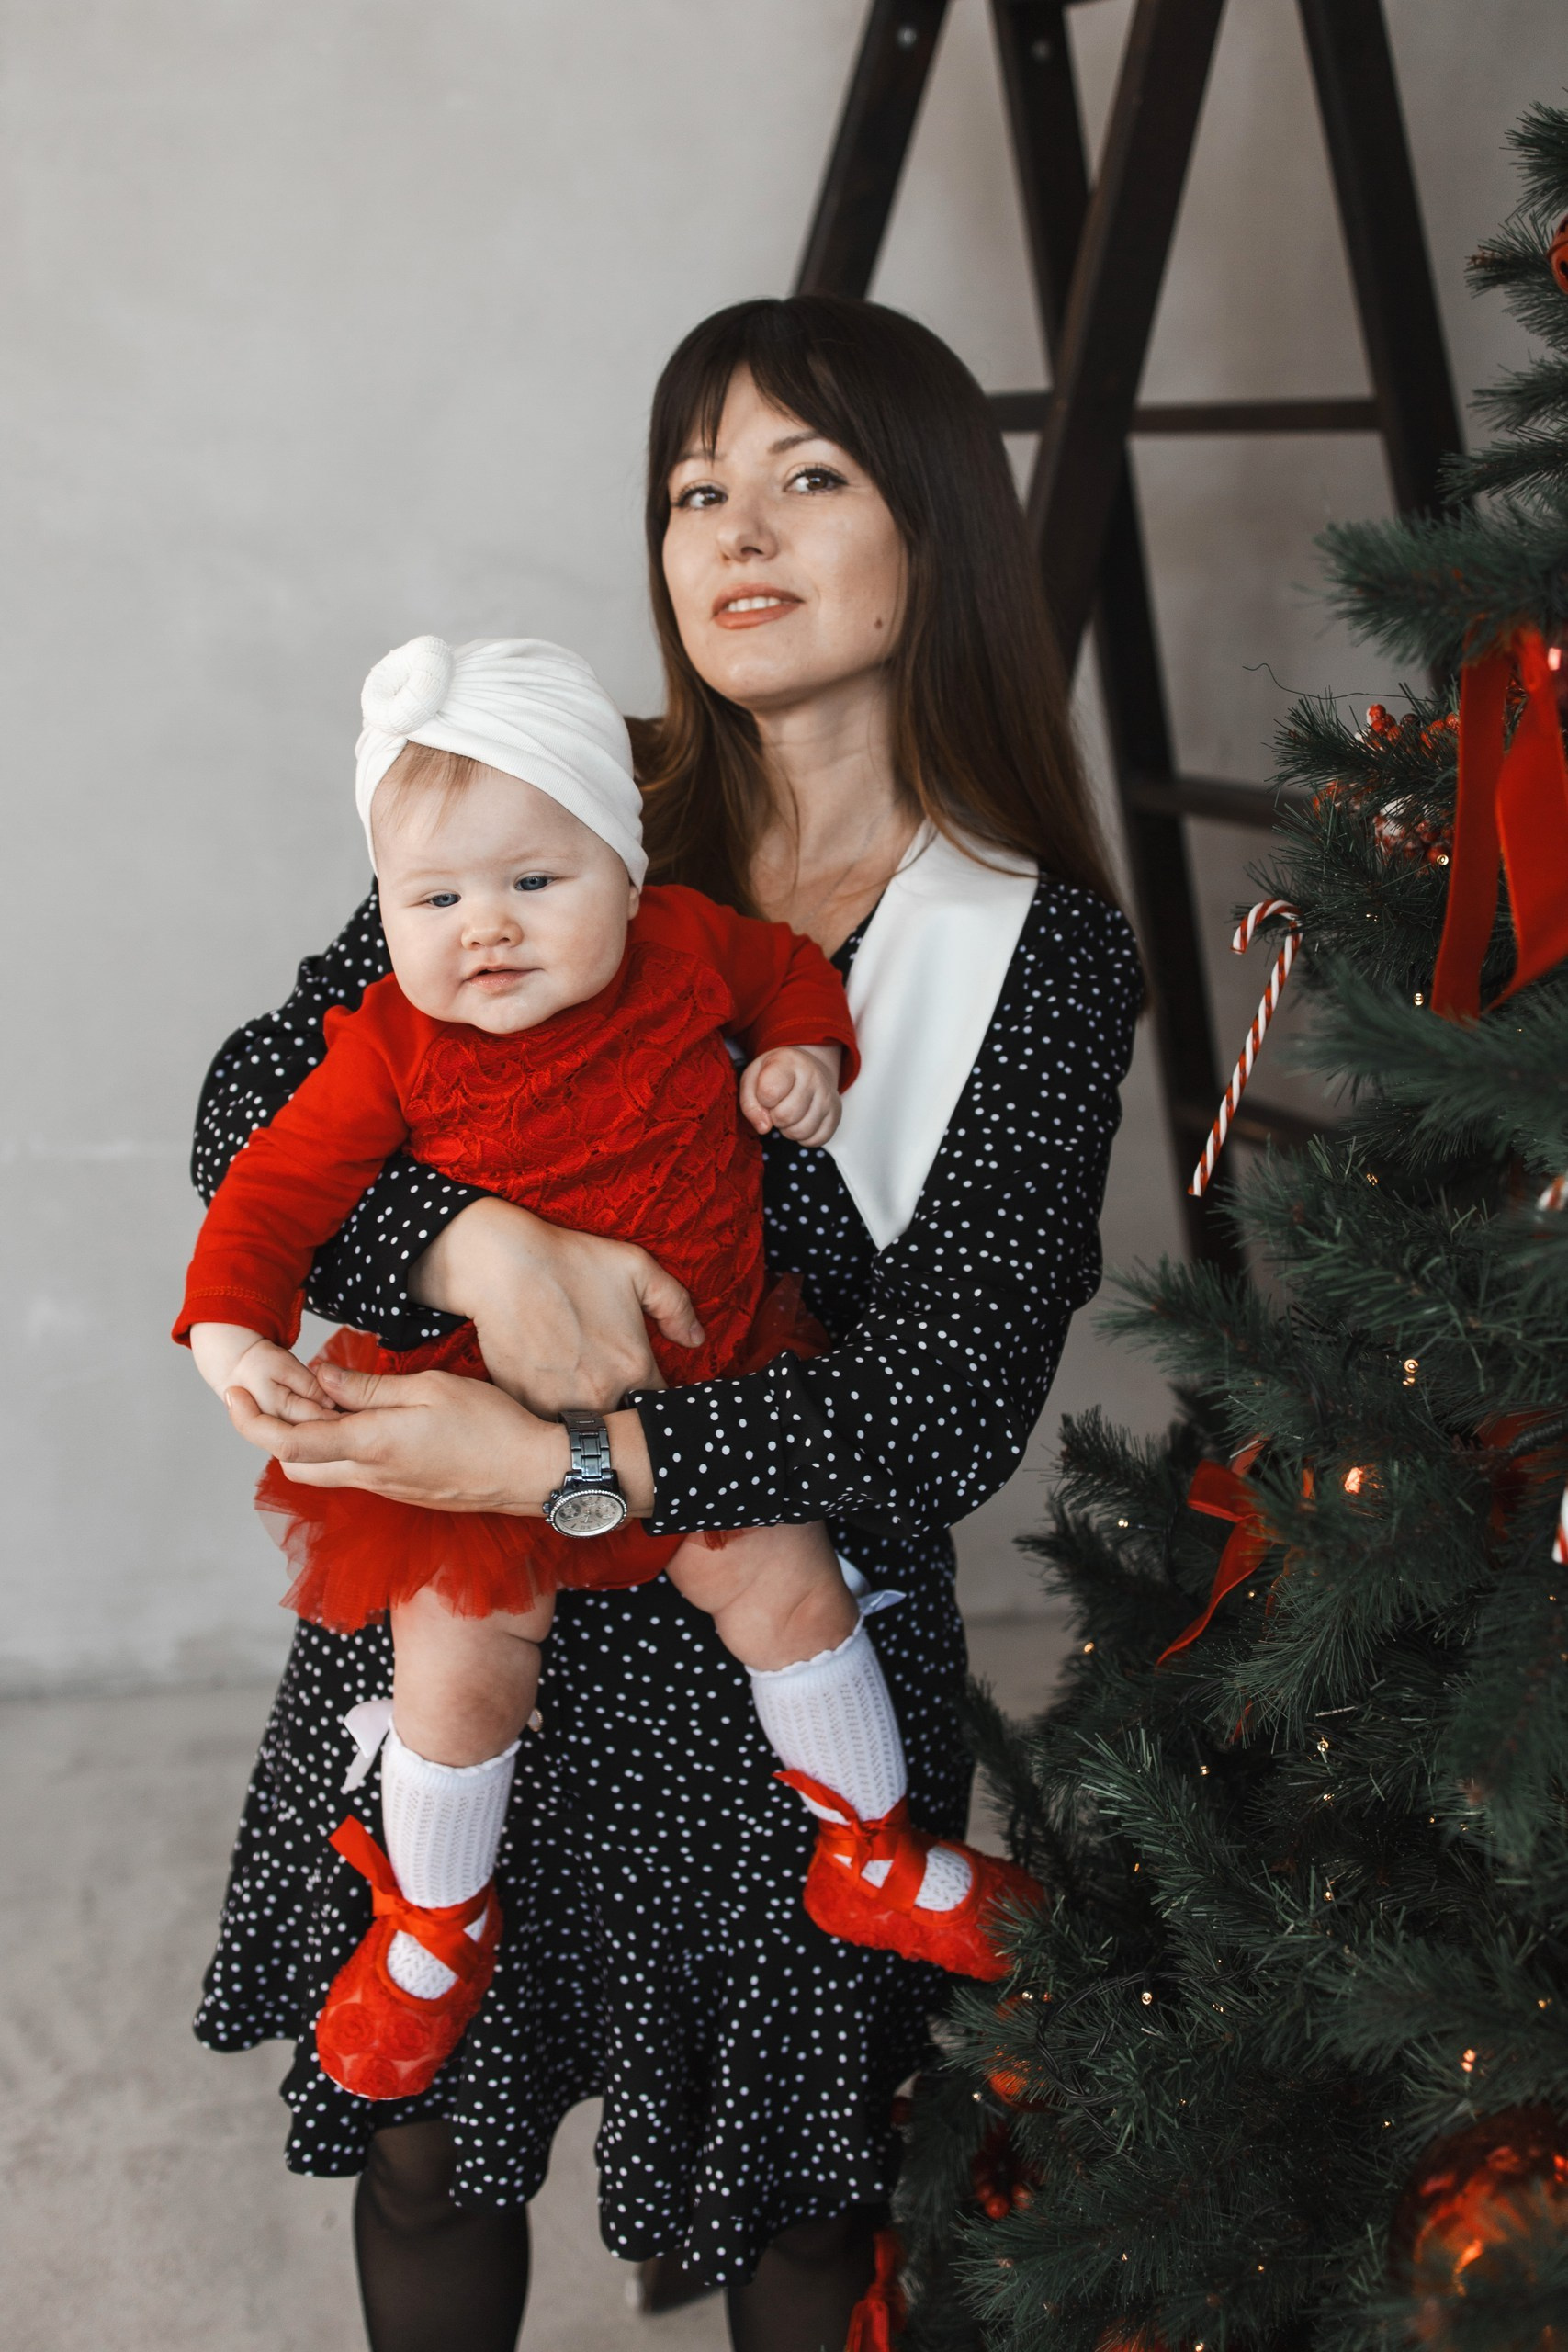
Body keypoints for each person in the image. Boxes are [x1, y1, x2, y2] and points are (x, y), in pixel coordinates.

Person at [191, 294, 1142, 2352]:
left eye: (808, 477)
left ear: (936, 530)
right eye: (695, 491)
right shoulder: (564, 793)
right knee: (430, 2145)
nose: (736, 532)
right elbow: (263, 1103)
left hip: (783, 1645)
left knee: (806, 2206)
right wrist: (474, 1252)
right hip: (471, 1612)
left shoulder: (1033, 946)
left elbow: (943, 1403)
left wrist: (564, 1457)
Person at [177, 629, 1036, 2104]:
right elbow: (264, 1188)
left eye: (534, 884)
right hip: (473, 1425)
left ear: (625, 870)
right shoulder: (387, 1044)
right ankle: (436, 1921)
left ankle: (870, 1851)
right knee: (458, 1664)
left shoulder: (689, 946)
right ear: (389, 904)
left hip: (710, 1400)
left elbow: (788, 979)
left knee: (793, 1591)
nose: (485, 930)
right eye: (434, 900)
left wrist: (806, 1056)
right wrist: (230, 1328)